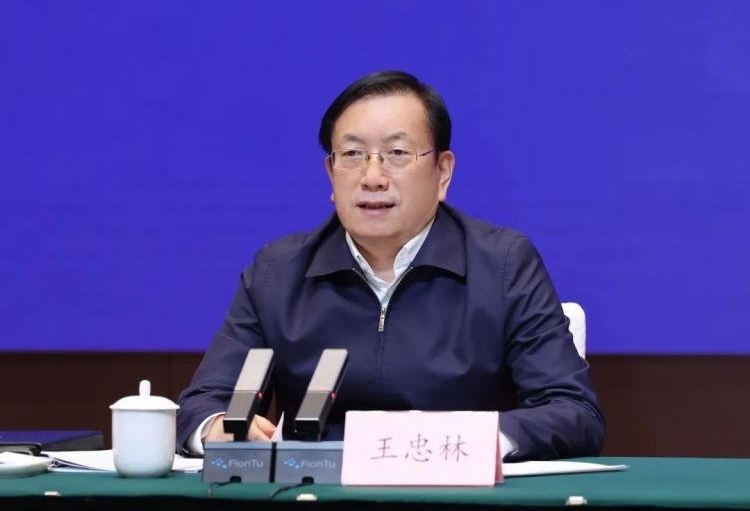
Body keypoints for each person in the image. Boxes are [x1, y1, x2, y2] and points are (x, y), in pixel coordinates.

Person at [175, 69, 605, 461]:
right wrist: (217, 428)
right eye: (352, 154)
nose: (373, 177)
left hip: (454, 495)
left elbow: (573, 413)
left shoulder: (504, 264)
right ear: (331, 173)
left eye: (397, 153)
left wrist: (466, 442)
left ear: (442, 173)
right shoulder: (278, 272)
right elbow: (201, 406)